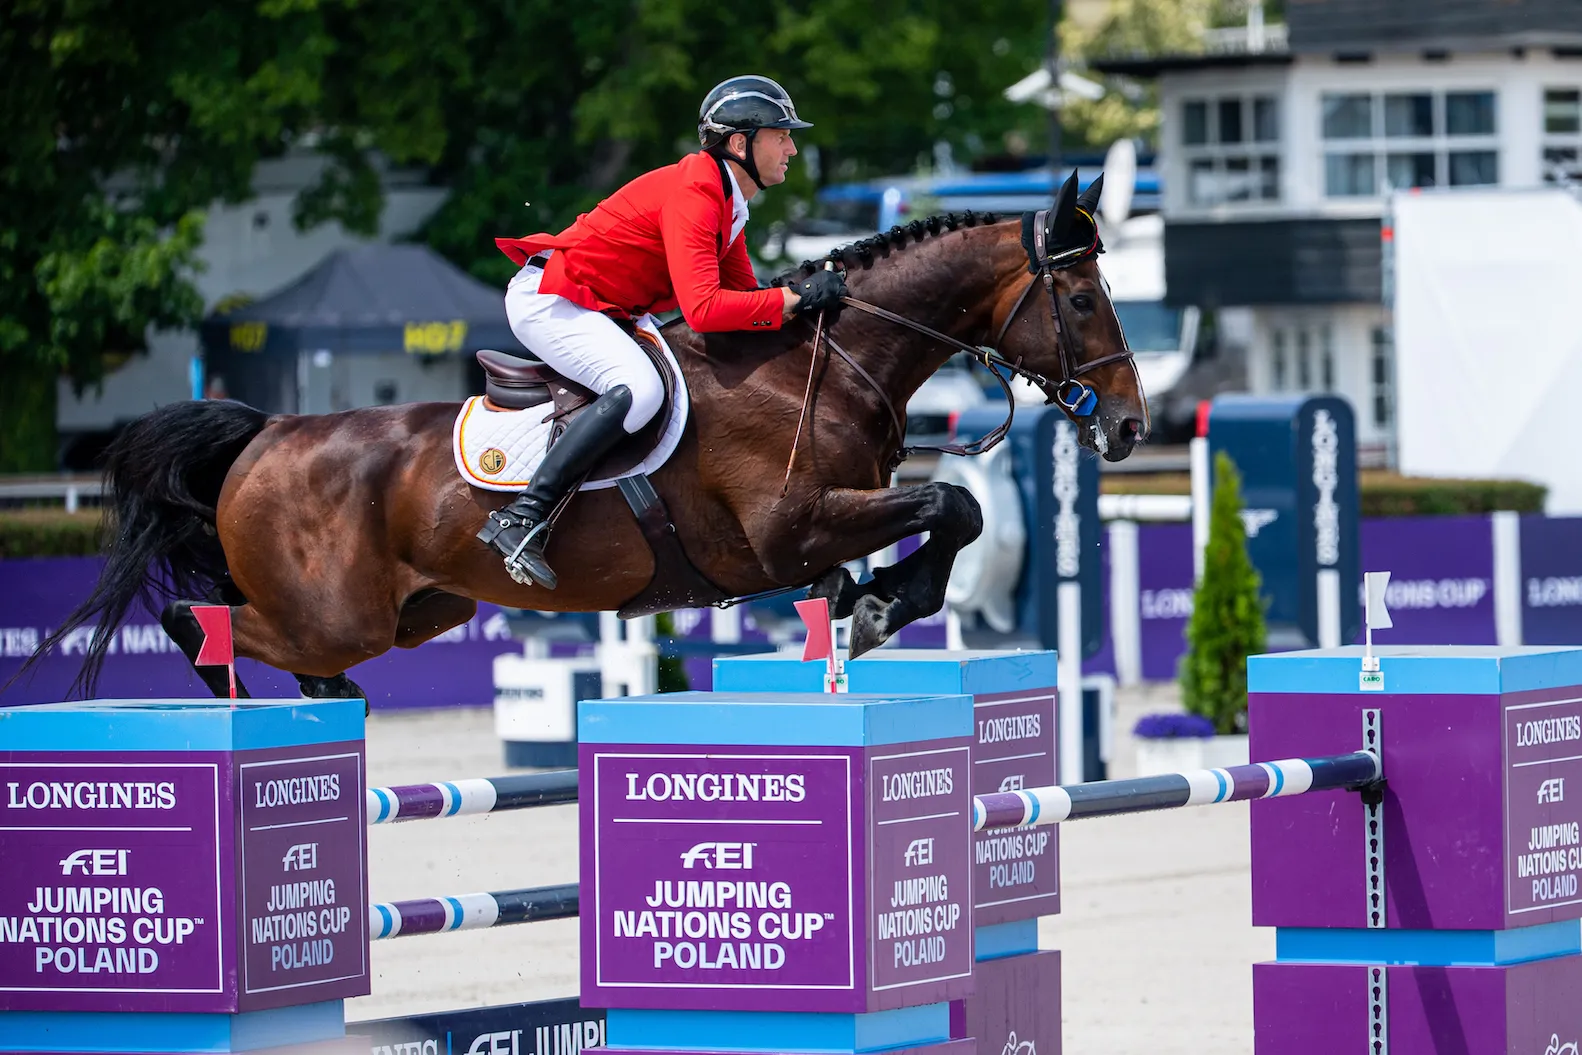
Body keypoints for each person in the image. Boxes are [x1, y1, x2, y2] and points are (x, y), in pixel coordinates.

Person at [479, 74, 849, 588]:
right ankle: (522, 516)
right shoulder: (697, 192)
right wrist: (793, 299)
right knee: (642, 390)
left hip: (608, 308)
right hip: (554, 301)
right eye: (781, 135)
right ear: (740, 143)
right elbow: (703, 310)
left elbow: (744, 301)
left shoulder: (727, 200)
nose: (791, 147)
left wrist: (805, 300)